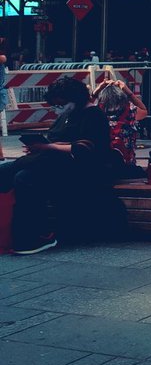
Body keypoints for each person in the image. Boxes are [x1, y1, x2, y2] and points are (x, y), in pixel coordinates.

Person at [0, 76, 119, 254]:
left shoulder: (93, 116)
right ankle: (20, 236)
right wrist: (41, 148)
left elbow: (86, 149)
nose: (57, 108)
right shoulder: (68, 115)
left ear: (75, 99)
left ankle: (31, 237)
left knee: (23, 176)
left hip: (80, 170)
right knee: (14, 173)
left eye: (60, 103)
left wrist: (46, 147)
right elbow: (62, 142)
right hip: (54, 163)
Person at [93, 75, 149, 172]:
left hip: (101, 166)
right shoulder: (130, 112)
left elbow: (85, 105)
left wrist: (97, 91)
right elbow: (144, 110)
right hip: (126, 167)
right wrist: (129, 92)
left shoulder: (96, 113)